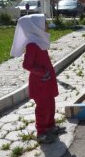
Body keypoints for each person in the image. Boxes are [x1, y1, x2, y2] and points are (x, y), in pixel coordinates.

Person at [10, 14, 65, 144]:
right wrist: (42, 72)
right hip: (40, 82)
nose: (47, 26)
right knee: (43, 107)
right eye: (44, 24)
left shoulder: (39, 41)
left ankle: (50, 126)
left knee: (50, 104)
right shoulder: (32, 45)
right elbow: (27, 65)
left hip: (47, 80)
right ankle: (41, 132)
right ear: (35, 27)